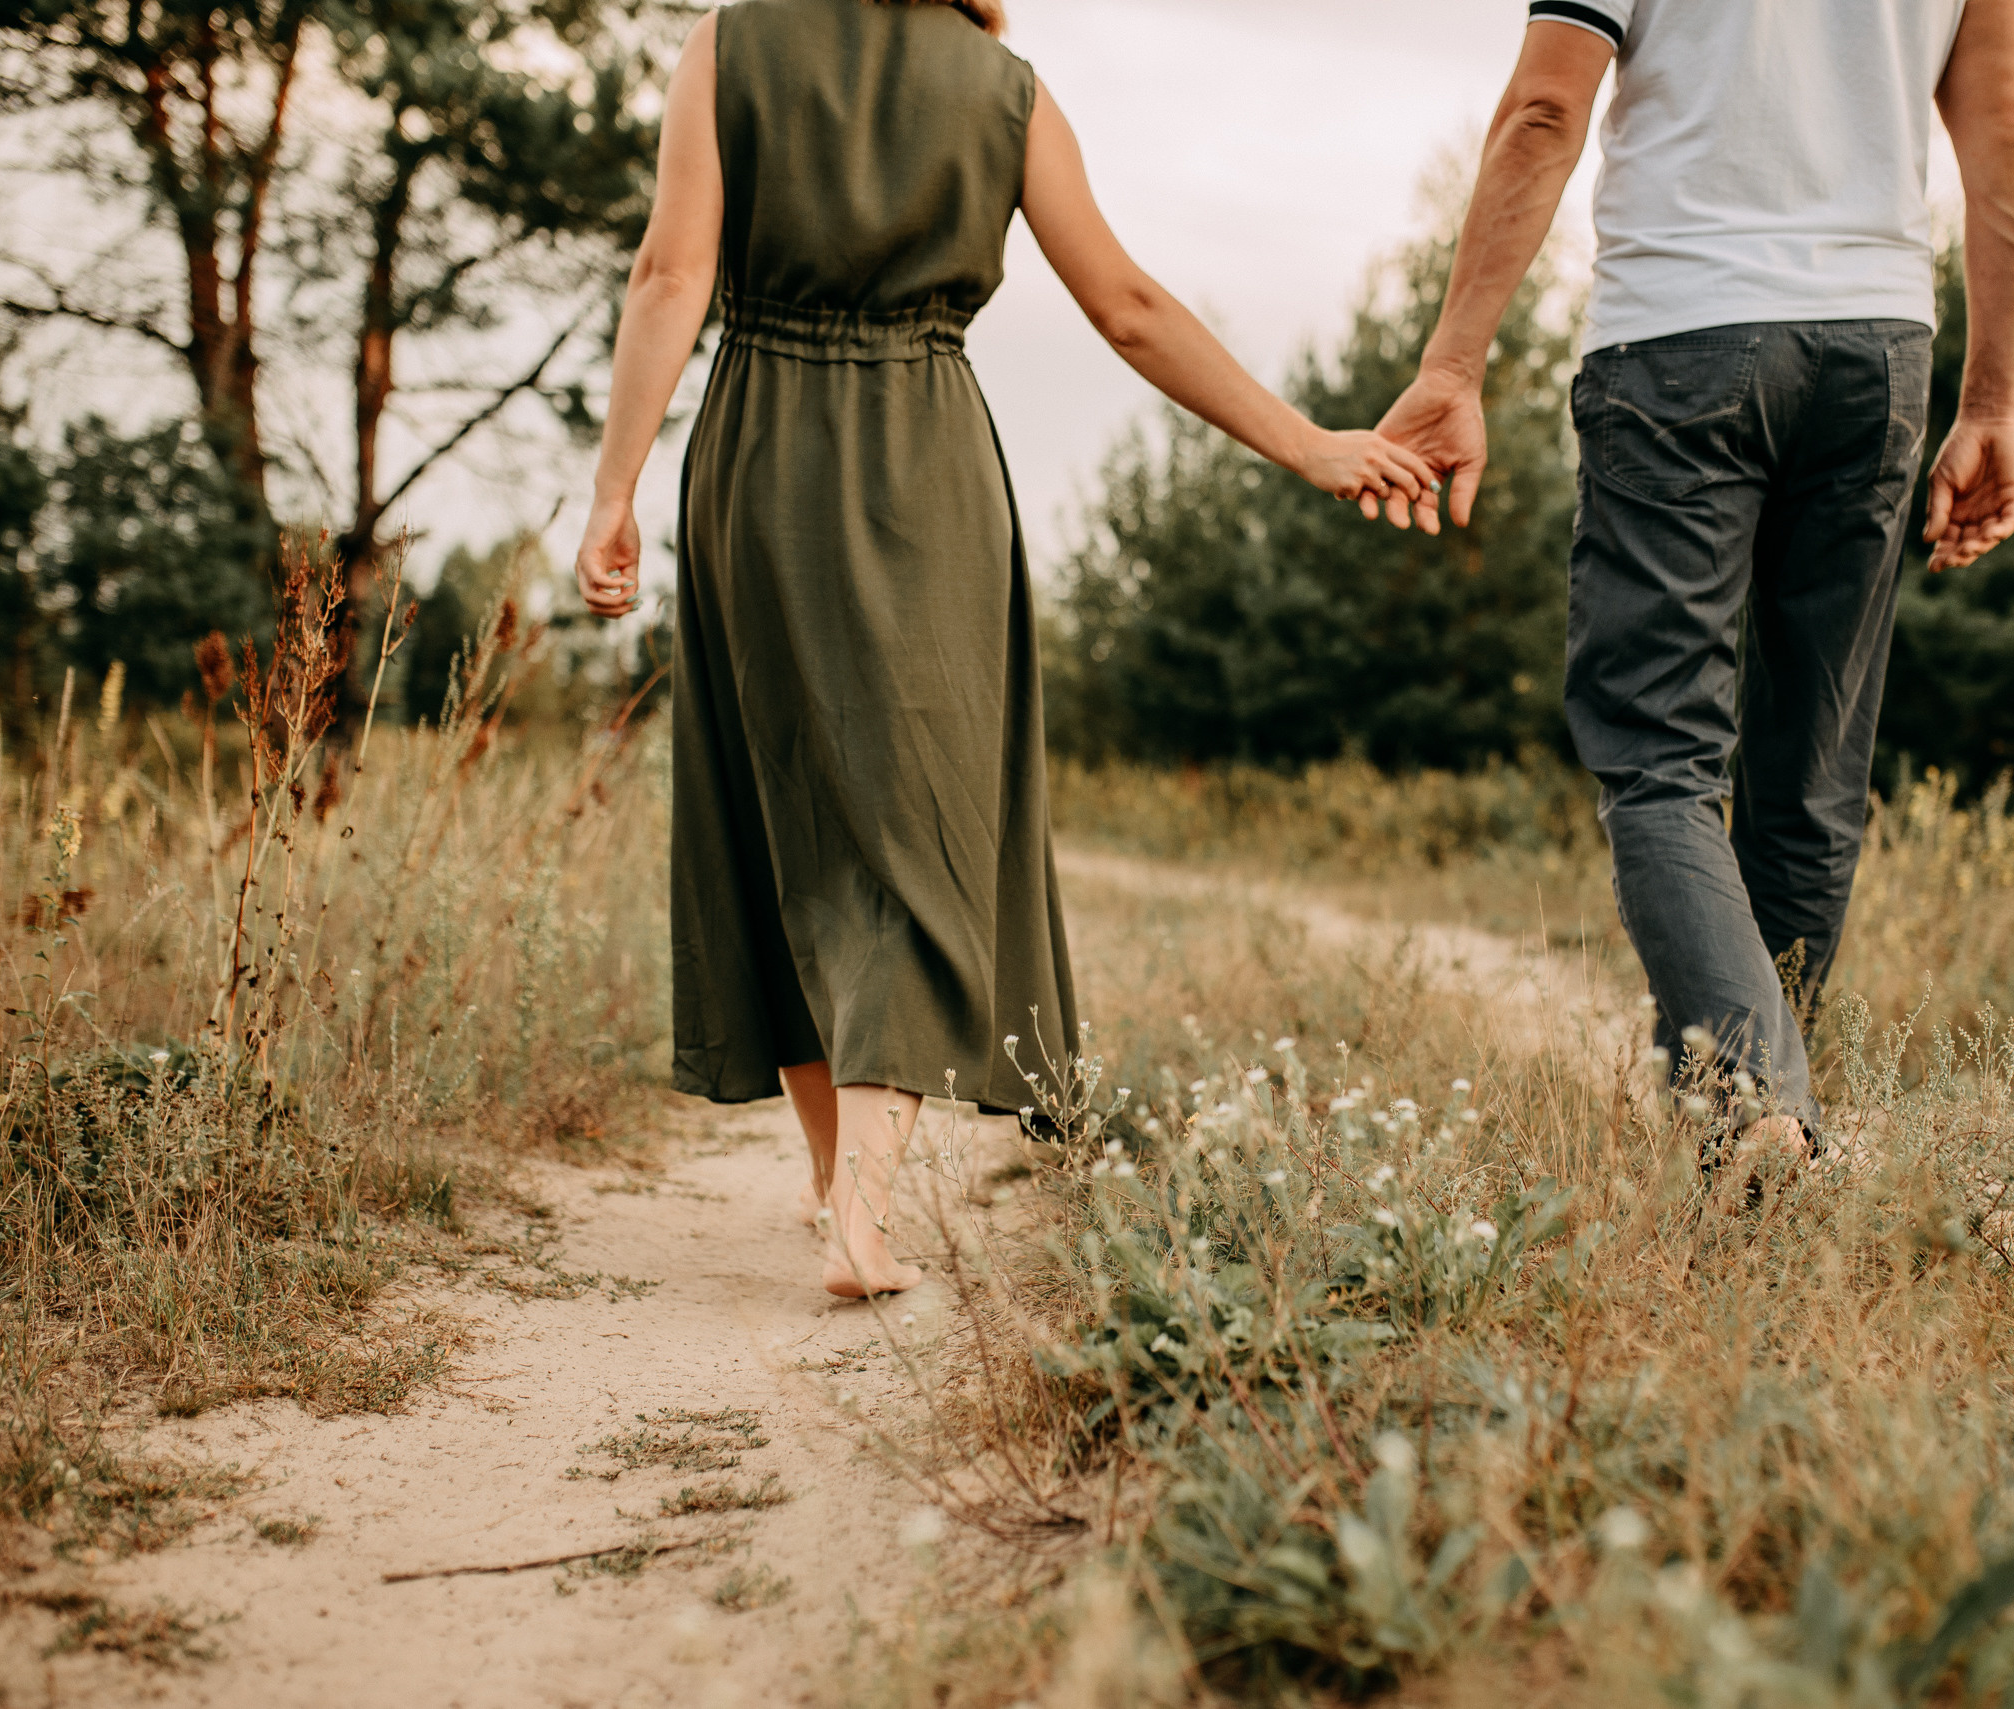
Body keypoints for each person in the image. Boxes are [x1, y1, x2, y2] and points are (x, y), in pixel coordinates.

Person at [573, 0, 1432, 1297]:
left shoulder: (731, 44)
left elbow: (669, 276)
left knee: (782, 800)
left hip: (757, 454)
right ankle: (855, 1208)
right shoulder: (1004, 91)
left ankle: (834, 1186)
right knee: (919, 821)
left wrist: (614, 490)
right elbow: (1131, 308)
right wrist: (1305, 442)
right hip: (926, 463)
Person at [1375, 0, 2014, 1160]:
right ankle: (1734, 1132)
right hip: (1878, 345)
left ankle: (1752, 1103)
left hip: (1680, 334)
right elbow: (2003, 149)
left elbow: (1544, 108)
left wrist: (1452, 364)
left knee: (1658, 757)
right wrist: (1993, 400)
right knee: (1812, 773)